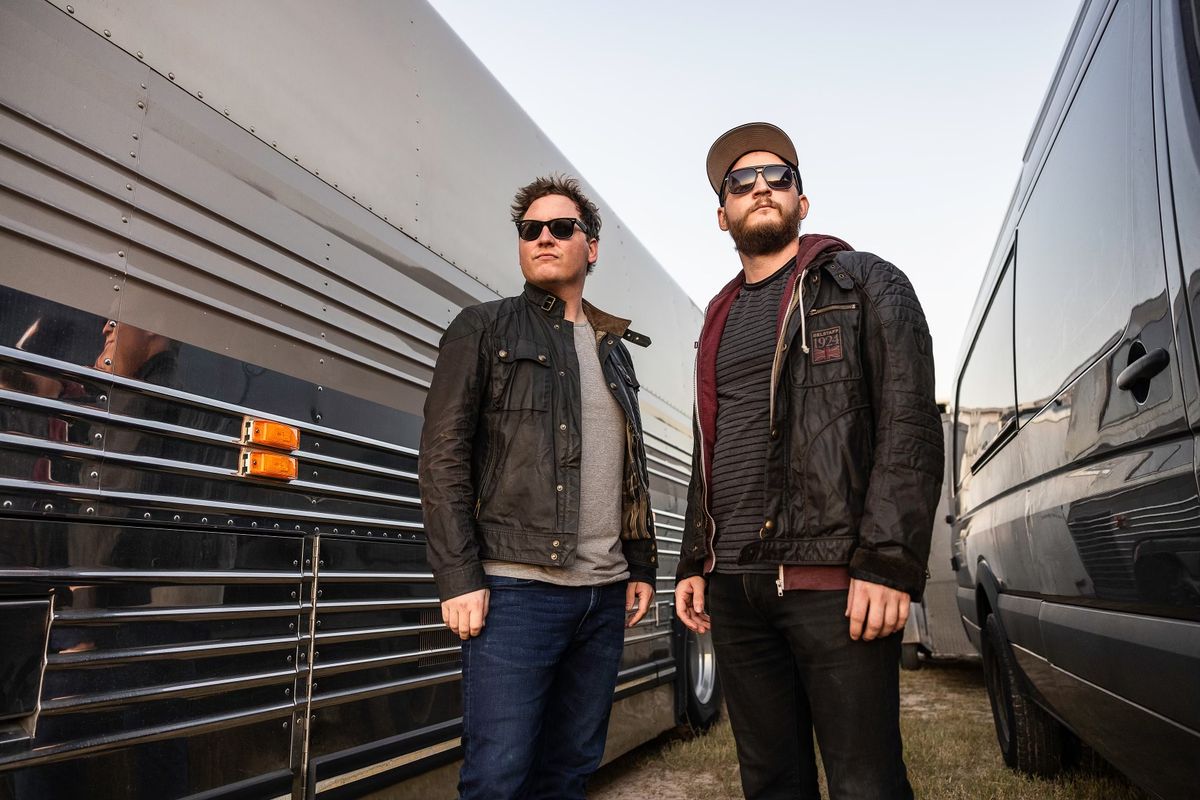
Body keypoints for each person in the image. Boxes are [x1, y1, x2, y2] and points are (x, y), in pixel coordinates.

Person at [675, 122, 944, 799]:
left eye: (779, 176)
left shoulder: (864, 282)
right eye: (741, 182)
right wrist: (693, 561)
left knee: (865, 783)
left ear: (802, 201)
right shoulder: (717, 314)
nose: (761, 187)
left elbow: (908, 424)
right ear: (722, 215)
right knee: (770, 781)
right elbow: (710, 442)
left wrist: (888, 561)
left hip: (830, 581)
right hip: (734, 585)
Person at [419, 175, 658, 800]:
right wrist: (459, 576)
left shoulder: (615, 352)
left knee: (572, 770)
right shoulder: (484, 329)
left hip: (601, 597)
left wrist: (639, 565)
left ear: (593, 247)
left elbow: (629, 468)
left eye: (561, 227)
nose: (544, 237)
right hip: (516, 592)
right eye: (531, 230)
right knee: (498, 776)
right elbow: (443, 456)